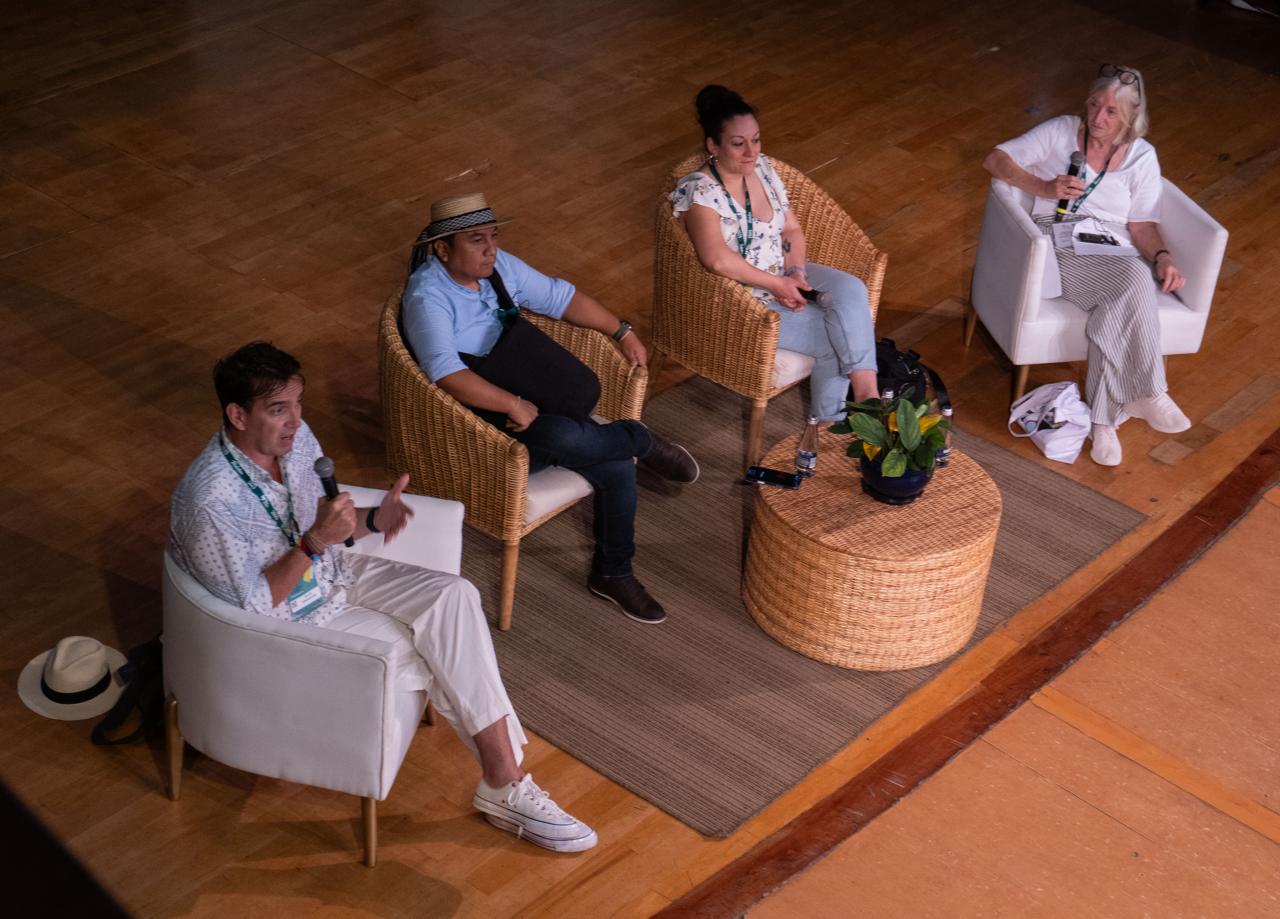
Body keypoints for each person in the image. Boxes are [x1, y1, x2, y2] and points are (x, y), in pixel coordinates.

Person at [168, 341, 597, 853]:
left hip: (334, 570)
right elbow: (255, 606)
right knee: (433, 649)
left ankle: (502, 785)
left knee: (453, 598)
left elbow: (323, 521)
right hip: (287, 622)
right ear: (237, 414)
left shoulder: (297, 441)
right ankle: (507, 784)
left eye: (298, 405)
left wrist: (371, 521)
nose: (295, 422)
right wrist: (314, 543)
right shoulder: (210, 500)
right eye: (278, 410)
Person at [402, 193, 699, 626]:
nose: (490, 249)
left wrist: (621, 330)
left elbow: (561, 297)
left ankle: (613, 572)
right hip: (481, 427)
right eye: (476, 240)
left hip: (532, 403)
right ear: (443, 249)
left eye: (493, 237)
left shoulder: (498, 268)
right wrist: (511, 403)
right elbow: (446, 374)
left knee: (613, 462)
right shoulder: (428, 297)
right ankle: (640, 437)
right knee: (575, 440)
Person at [982, 64, 1191, 466]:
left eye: (1112, 112)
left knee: (1116, 304)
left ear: (1132, 116)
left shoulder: (1143, 157)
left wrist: (1163, 257)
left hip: (1114, 245)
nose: (1098, 118)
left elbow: (1142, 224)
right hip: (1058, 235)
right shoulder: (1061, 131)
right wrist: (1043, 187)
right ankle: (1147, 392)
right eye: (1095, 105)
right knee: (1134, 282)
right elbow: (995, 160)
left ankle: (1103, 423)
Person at [670, 84, 880, 419]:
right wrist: (776, 284)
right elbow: (716, 259)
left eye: (755, 139)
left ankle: (869, 398)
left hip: (781, 272)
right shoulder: (701, 192)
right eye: (738, 144)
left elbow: (791, 229)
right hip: (740, 298)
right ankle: (830, 429)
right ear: (713, 145)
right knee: (833, 339)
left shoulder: (763, 169)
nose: (751, 151)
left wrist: (795, 273)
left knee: (851, 288)